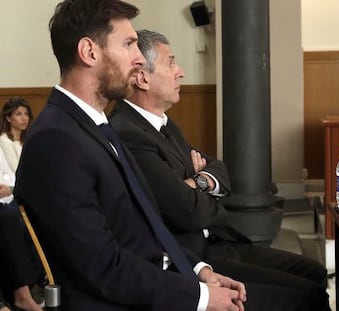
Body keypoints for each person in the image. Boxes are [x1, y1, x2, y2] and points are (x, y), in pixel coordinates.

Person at [14, 1, 314, 311]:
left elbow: (148, 228)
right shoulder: (57, 140)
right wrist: (202, 297)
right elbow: (102, 266)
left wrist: (200, 270)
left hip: (168, 279)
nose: (139, 58)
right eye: (129, 44)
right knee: (304, 303)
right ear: (89, 52)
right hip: (129, 301)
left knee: (306, 297)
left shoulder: (94, 126)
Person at [109, 30, 331, 310]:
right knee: (310, 297)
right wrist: (200, 186)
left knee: (316, 273)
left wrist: (195, 182)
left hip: (219, 239)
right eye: (171, 63)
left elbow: (219, 169)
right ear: (142, 78)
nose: (180, 72)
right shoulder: (129, 132)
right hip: (195, 257)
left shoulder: (163, 123)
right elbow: (186, 211)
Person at [0, 147, 43, 311]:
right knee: (8, 219)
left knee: (34, 212)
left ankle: (38, 285)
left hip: (7, 199)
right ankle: (22, 296)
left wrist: (8, 188)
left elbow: (9, 175)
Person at [0, 97, 33, 173]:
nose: (24, 118)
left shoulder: (28, 139)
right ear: (8, 118)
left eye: (26, 114)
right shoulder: (5, 140)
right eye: (18, 114)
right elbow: (16, 169)